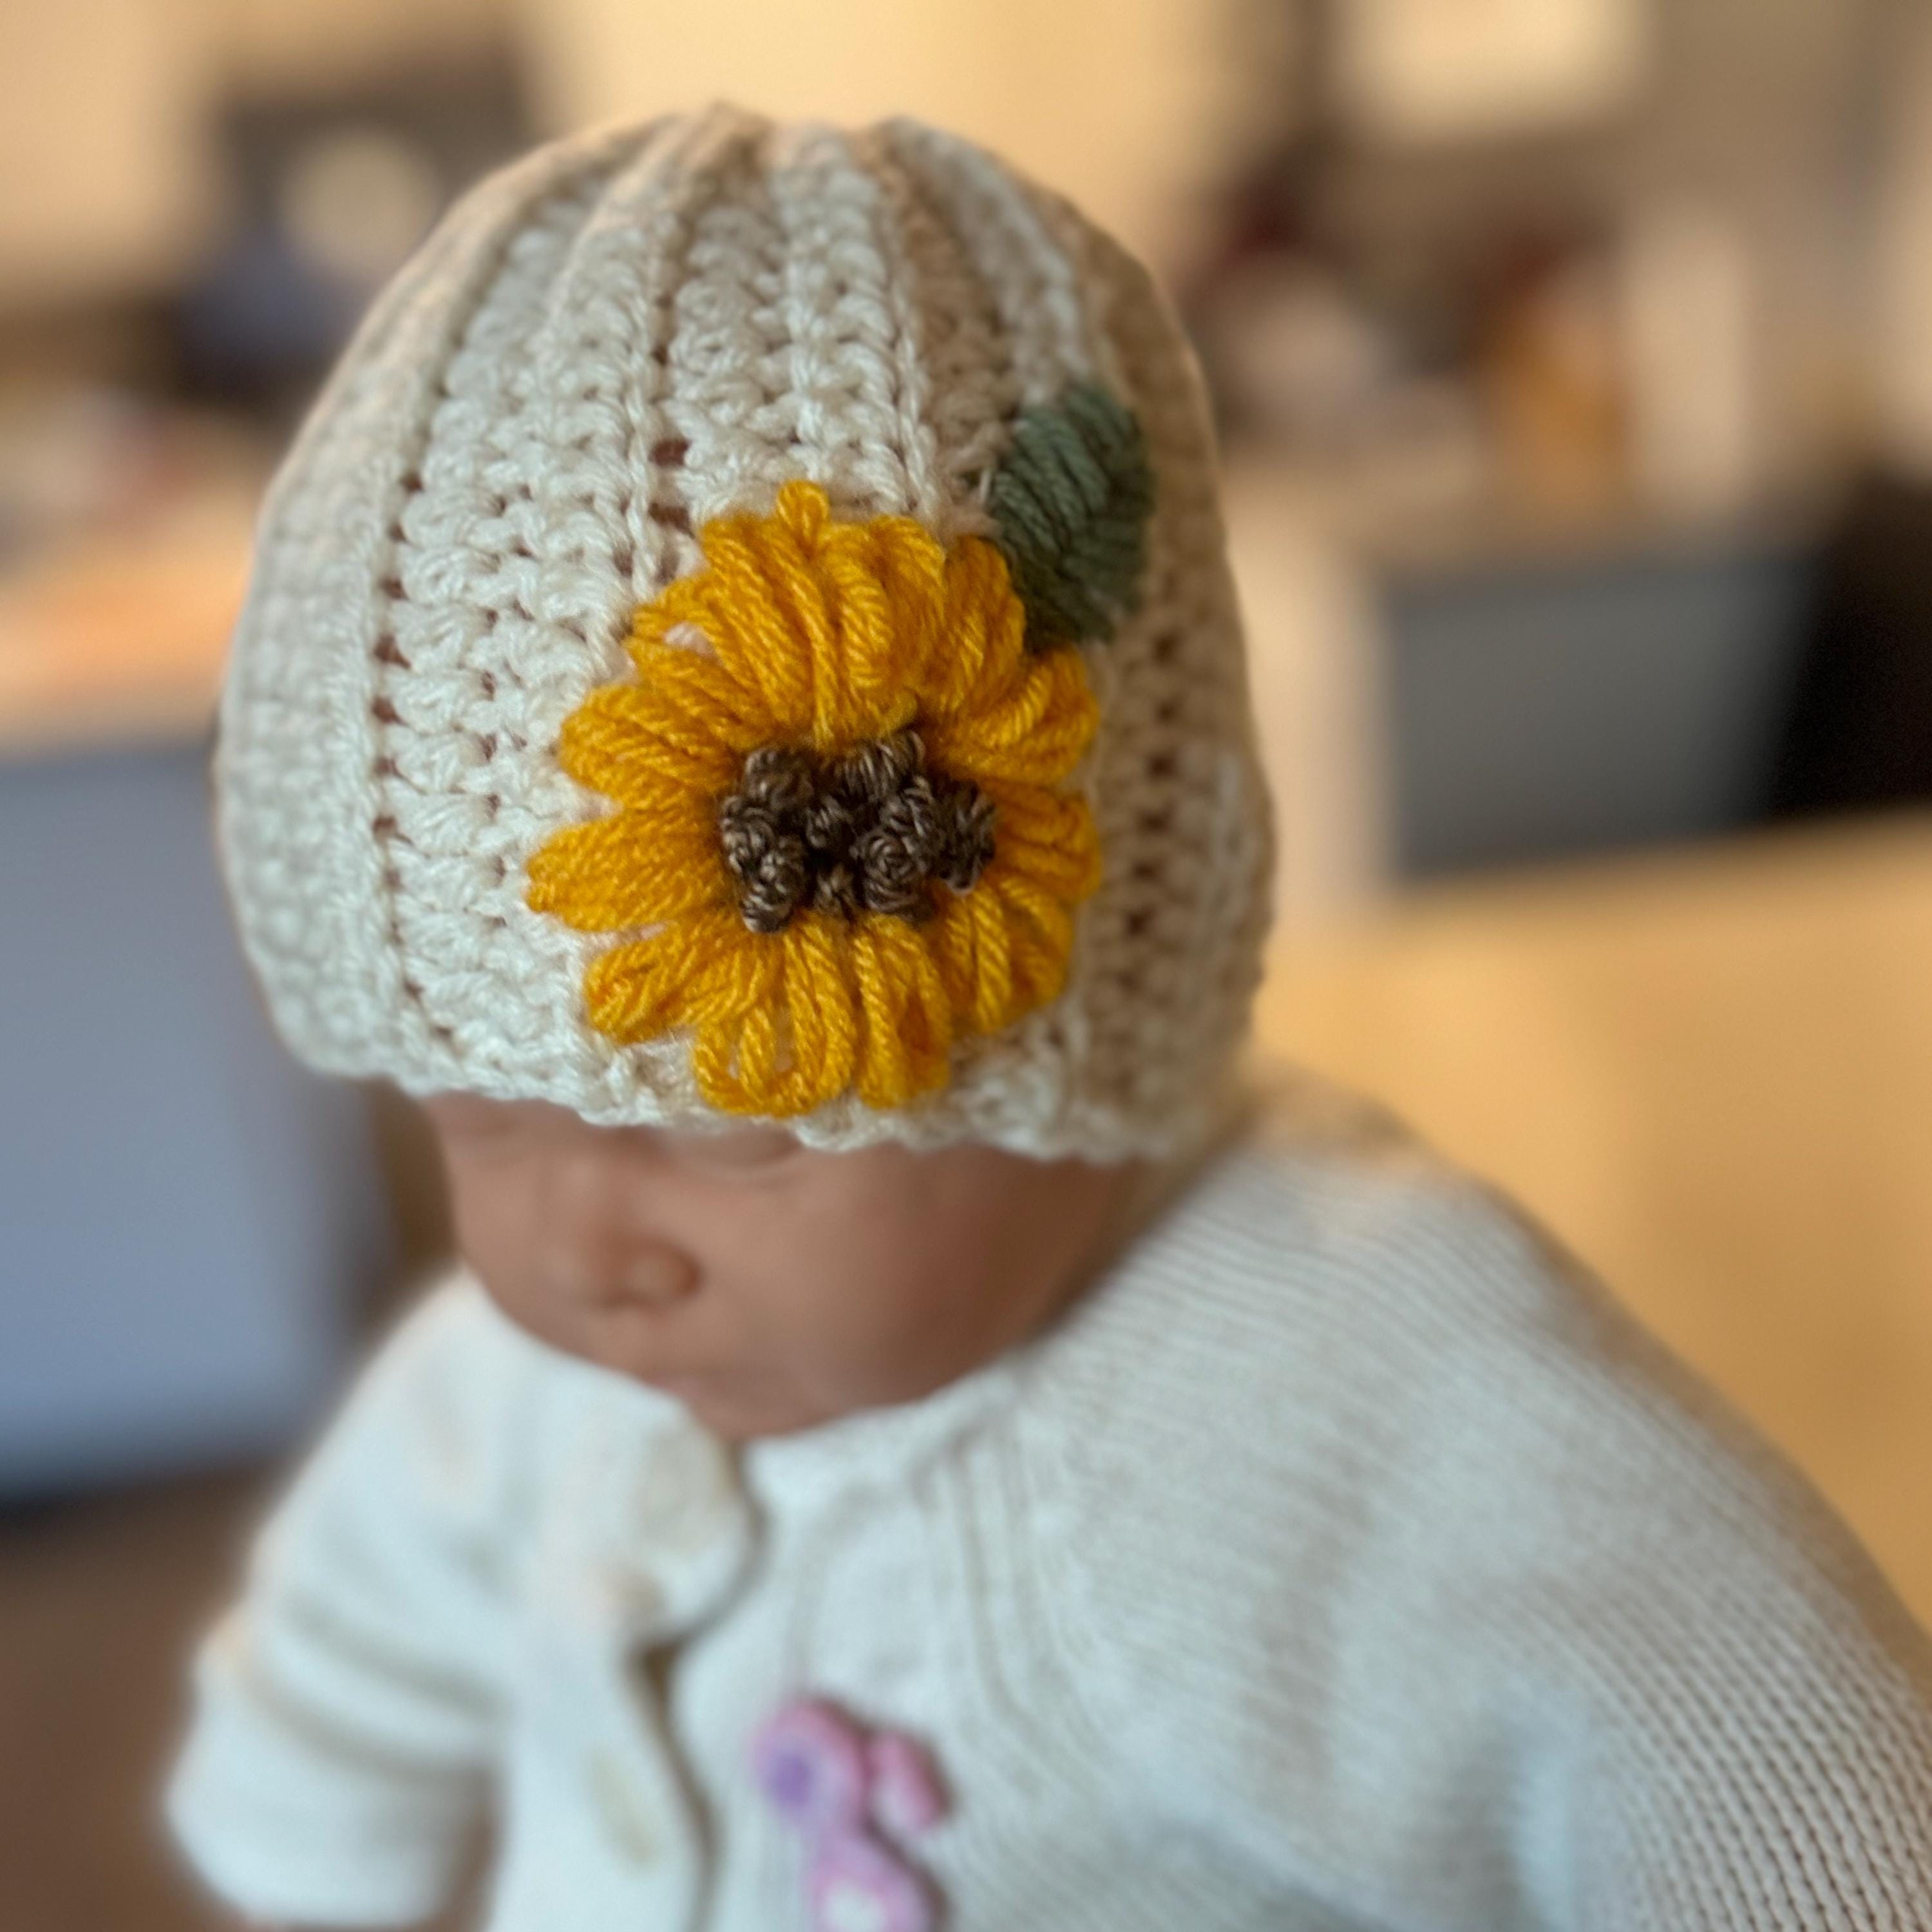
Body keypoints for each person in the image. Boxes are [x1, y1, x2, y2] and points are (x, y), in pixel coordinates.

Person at [169, 106, 1932, 1931]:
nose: (574, 1250)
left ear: (1086, 1013)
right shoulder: (543, 1377)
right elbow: (353, 1632)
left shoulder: (1349, 1395)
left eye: (732, 1130)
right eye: (467, 1116)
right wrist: (309, 1851)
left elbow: (1799, 1801)